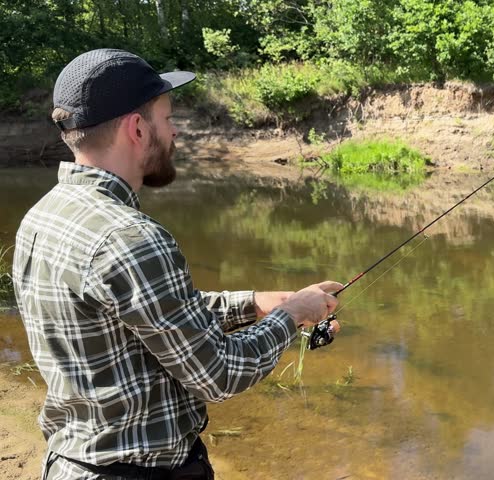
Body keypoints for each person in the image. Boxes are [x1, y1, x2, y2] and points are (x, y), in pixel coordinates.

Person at [12, 48, 342, 480]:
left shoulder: (42, 217)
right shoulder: (131, 238)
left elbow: (149, 312)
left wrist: (256, 303)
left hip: (72, 465)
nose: (175, 135)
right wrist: (292, 315)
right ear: (136, 128)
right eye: (168, 121)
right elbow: (219, 374)